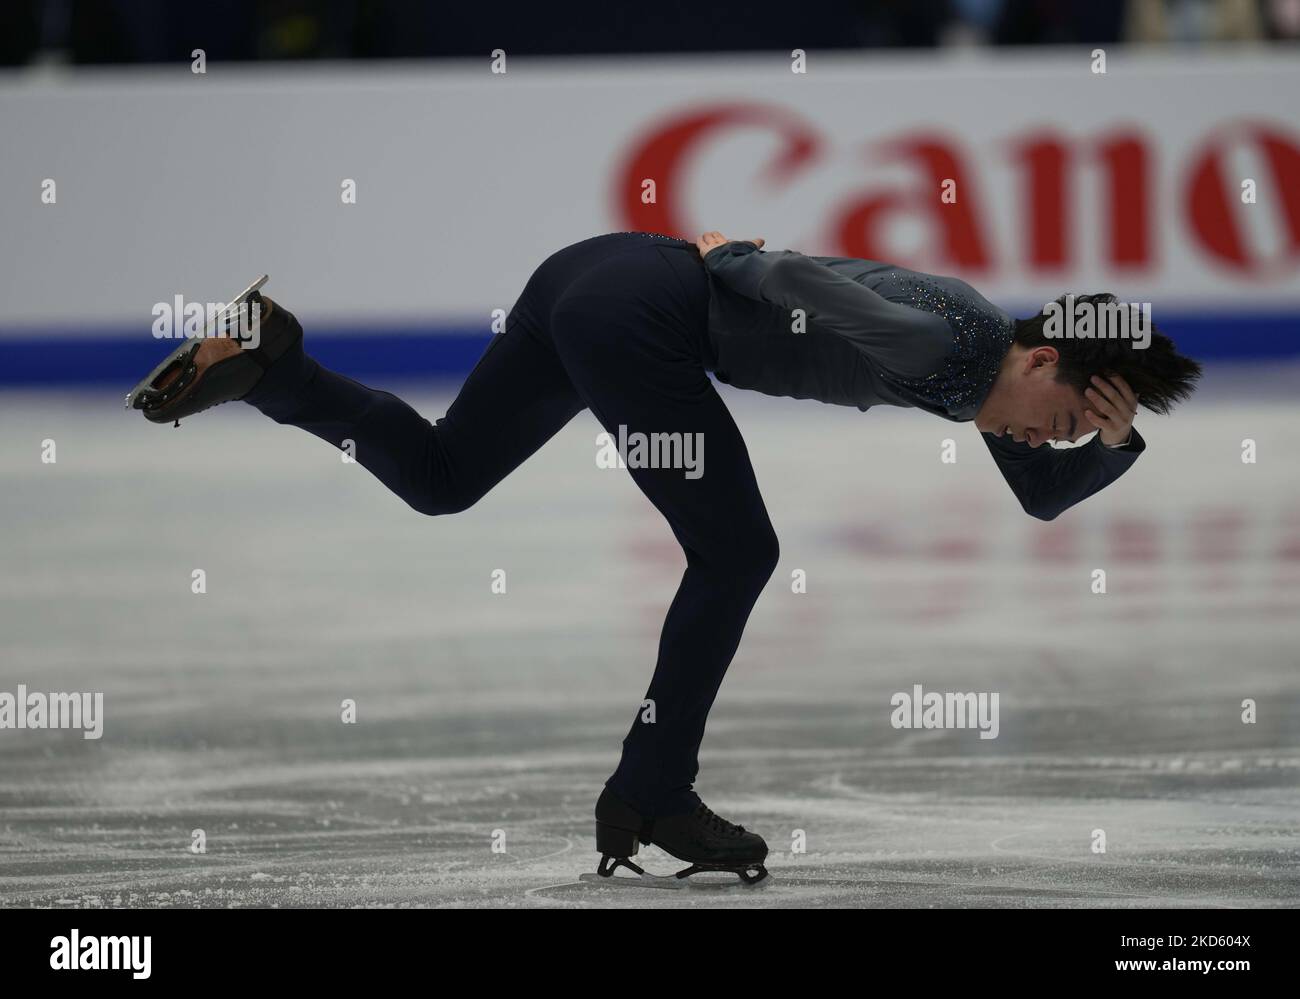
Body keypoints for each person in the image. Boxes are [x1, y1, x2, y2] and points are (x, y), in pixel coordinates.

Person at [126, 230, 1201, 887]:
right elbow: (796, 279)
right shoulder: (951, 346)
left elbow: (1043, 501)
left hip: (589, 283)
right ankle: (654, 793)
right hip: (643, 310)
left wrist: (1113, 439)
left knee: (446, 478)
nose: (1039, 442)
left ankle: (272, 366)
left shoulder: (984, 364)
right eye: (1059, 419)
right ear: (1046, 357)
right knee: (737, 553)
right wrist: (728, 257)